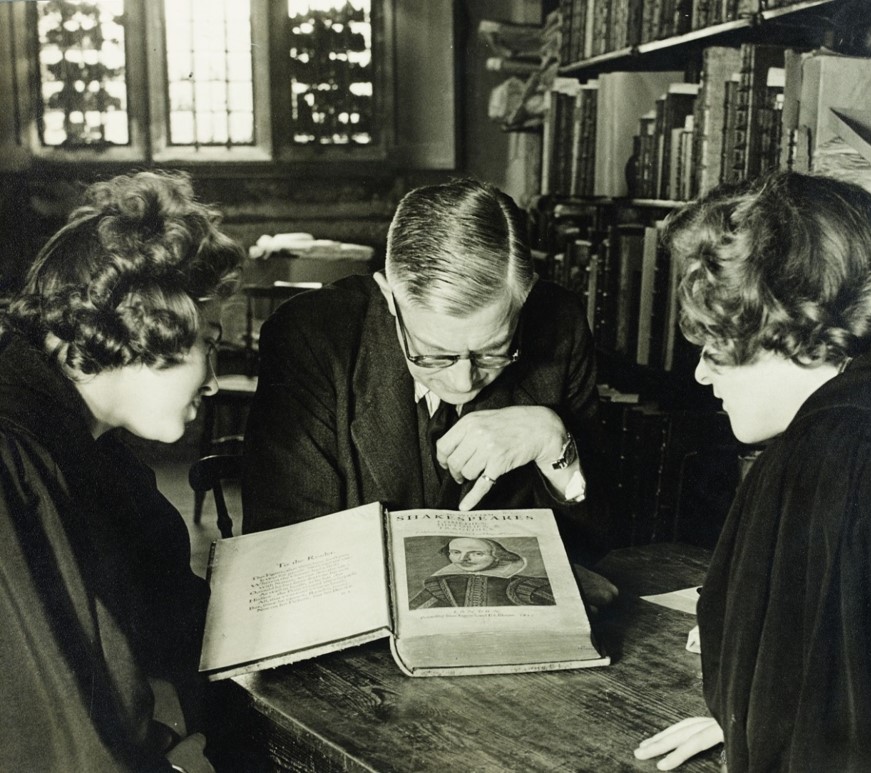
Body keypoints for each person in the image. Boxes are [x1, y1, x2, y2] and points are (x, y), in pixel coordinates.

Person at [633, 171, 871, 772]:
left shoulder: (840, 450)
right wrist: (756, 709)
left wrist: (767, 727)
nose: (701, 374)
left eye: (716, 341)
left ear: (789, 327)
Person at [241, 177, 620, 577]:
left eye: (493, 351)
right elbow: (283, 550)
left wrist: (554, 444)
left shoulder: (560, 325)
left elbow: (596, 543)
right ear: (389, 297)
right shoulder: (311, 337)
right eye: (433, 354)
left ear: (524, 299)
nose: (463, 382)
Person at [0, 170, 243, 771]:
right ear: (145, 327)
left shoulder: (93, 446)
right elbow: (57, 736)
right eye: (208, 344)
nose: (212, 379)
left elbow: (168, 623)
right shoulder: (13, 461)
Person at [408, 536, 555, 608]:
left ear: (498, 556)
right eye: (456, 552)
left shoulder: (525, 585)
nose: (463, 559)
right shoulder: (440, 584)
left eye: (477, 553)